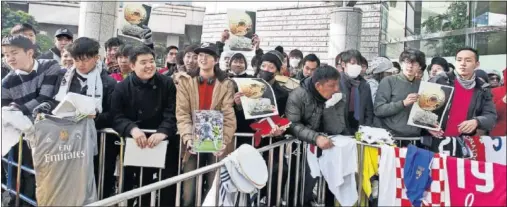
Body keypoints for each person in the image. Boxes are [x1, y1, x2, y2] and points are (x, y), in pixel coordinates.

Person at [33, 37, 119, 198]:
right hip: (68, 143)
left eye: (86, 60)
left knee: (99, 179)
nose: (81, 64)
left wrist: (95, 117)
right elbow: (55, 101)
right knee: (69, 181)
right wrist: (46, 108)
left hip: (99, 143)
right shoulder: (64, 78)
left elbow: (114, 114)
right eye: (77, 60)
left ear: (96, 58)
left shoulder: (108, 83)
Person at [111, 45, 178, 206]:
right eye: (143, 62)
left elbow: (173, 112)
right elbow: (116, 116)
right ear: (132, 66)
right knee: (133, 188)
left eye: (152, 61)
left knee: (165, 189)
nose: (149, 66)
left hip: (164, 144)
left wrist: (163, 132)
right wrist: (132, 129)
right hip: (136, 145)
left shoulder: (167, 83)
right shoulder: (122, 87)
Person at [1, 34, 62, 204]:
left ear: (30, 52)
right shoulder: (6, 83)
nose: (9, 58)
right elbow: (5, 111)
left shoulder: (50, 66)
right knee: (23, 177)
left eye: (14, 52)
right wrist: (17, 112)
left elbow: (47, 99)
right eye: (5, 54)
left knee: (48, 180)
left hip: (52, 135)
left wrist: (19, 109)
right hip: (24, 139)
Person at [176, 42, 236, 206]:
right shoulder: (186, 82)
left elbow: (229, 115)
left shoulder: (226, 84)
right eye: (199, 55)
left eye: (207, 55)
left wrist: (224, 140)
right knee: (188, 193)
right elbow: (182, 113)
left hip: (216, 144)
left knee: (213, 190)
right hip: (192, 144)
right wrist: (188, 138)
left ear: (216, 60)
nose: (202, 59)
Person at [285, 65, 342, 206]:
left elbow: (336, 128)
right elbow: (293, 124)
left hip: (317, 149)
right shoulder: (297, 95)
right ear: (318, 85)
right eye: (332, 85)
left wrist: (330, 107)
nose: (336, 89)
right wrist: (315, 138)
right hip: (297, 148)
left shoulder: (333, 97)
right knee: (298, 184)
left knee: (311, 184)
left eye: (337, 84)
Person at [429, 48, 497, 137]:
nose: (463, 63)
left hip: (463, 142)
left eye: (468, 60)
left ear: (477, 64)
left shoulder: (483, 88)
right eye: (459, 60)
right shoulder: (439, 80)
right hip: (434, 139)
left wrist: (477, 121)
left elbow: (491, 117)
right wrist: (428, 126)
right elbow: (420, 108)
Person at [374, 49, 426, 139]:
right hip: (390, 136)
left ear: (420, 67)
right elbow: (378, 110)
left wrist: (429, 127)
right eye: (407, 62)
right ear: (401, 64)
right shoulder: (388, 81)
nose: (410, 66)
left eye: (414, 64)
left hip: (414, 137)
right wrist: (403, 103)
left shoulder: (422, 85)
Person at [339, 49, 374, 134]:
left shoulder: (364, 85)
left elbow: (369, 111)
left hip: (359, 129)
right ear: (344, 64)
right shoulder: (336, 82)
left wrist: (366, 128)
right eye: (352, 63)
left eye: (358, 64)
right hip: (339, 129)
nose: (356, 66)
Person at [491, 69, 506, 136]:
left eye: (497, 79)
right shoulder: (494, 92)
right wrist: (503, 101)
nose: (495, 80)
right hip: (499, 138)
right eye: (492, 78)